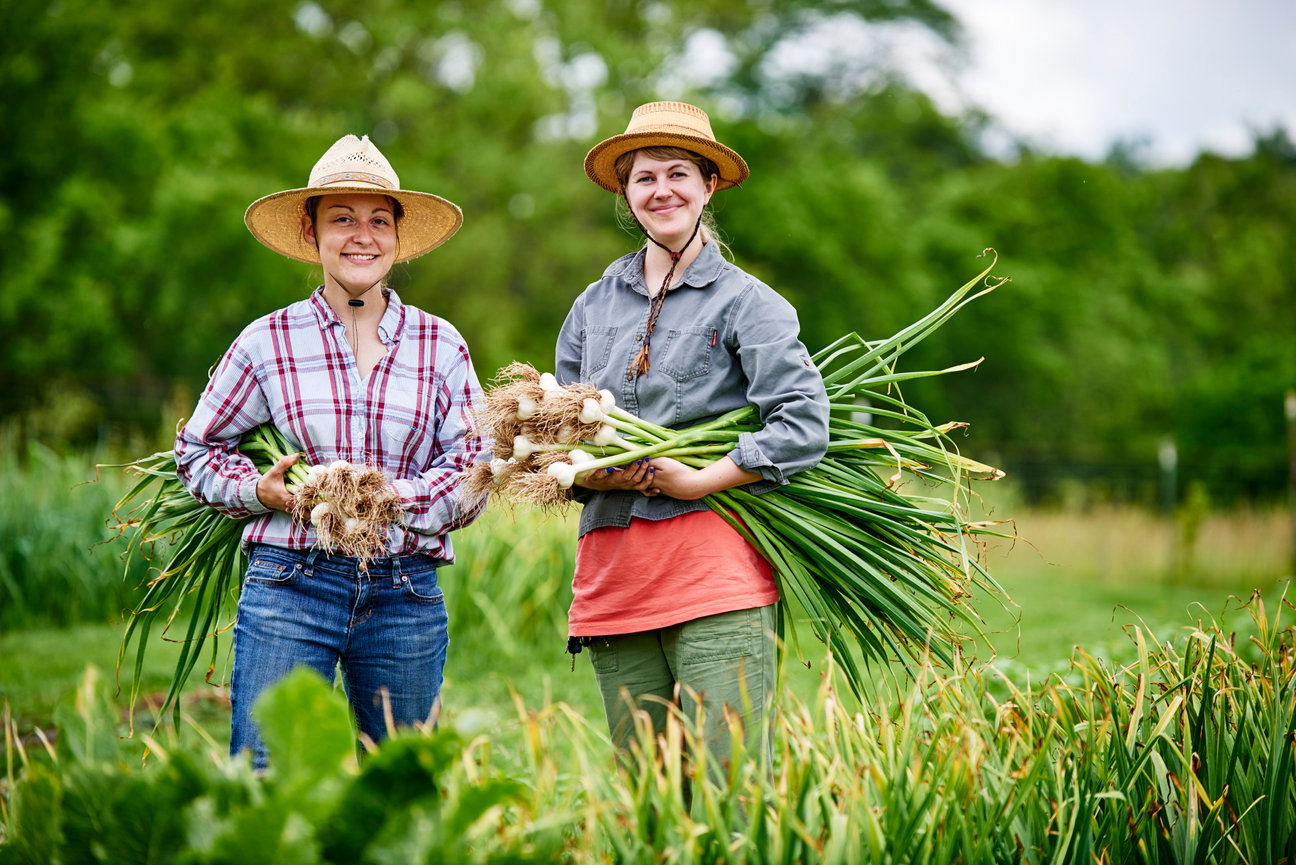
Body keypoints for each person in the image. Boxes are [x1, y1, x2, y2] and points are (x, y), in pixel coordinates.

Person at [175, 134, 488, 770]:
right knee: (267, 774)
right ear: (310, 228)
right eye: (341, 218)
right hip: (291, 584)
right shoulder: (267, 340)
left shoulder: (440, 344)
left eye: (378, 220)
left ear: (398, 236)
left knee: (401, 787)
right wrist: (258, 491)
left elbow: (474, 469)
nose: (361, 236)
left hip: (405, 593)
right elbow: (197, 449)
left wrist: (382, 499)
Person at [555, 102, 830, 773]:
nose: (662, 190)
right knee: (648, 796)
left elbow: (802, 424)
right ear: (626, 193)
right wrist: (591, 471)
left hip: (715, 580)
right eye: (645, 177)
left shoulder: (747, 301)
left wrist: (701, 479)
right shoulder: (592, 305)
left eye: (680, 173)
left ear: (709, 186)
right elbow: (557, 436)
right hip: (613, 585)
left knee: (729, 788)